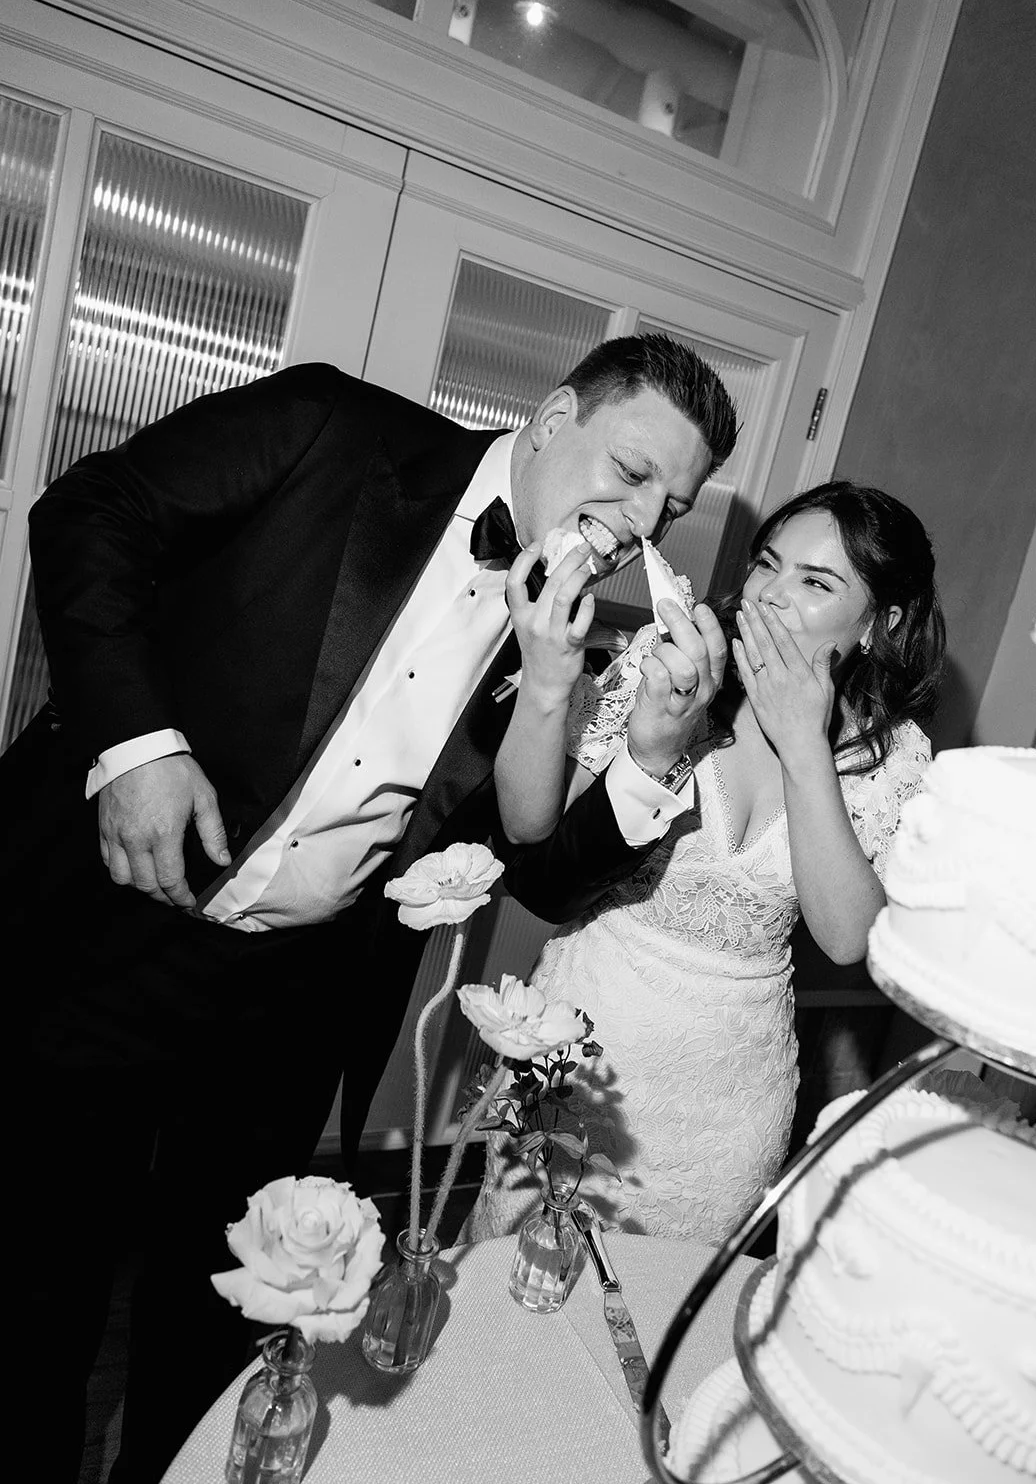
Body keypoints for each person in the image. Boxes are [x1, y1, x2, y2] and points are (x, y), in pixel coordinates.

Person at [4, 334, 737, 1482]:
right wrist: (134, 743)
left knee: (218, 1317)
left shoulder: (585, 633)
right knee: (32, 1286)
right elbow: (91, 511)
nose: (644, 518)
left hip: (288, 1005)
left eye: (673, 503)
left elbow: (534, 870)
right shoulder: (331, 429)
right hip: (112, 930)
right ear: (552, 417)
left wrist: (650, 752)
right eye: (631, 471)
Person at [461, 481, 945, 1245]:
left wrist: (804, 748)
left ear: (878, 625)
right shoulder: (670, 666)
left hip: (727, 1098)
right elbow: (539, 830)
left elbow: (848, 939)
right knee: (515, 1289)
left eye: (816, 583)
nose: (770, 597)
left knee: (668, 1326)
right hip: (585, 1040)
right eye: (766, 565)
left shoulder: (897, 754)